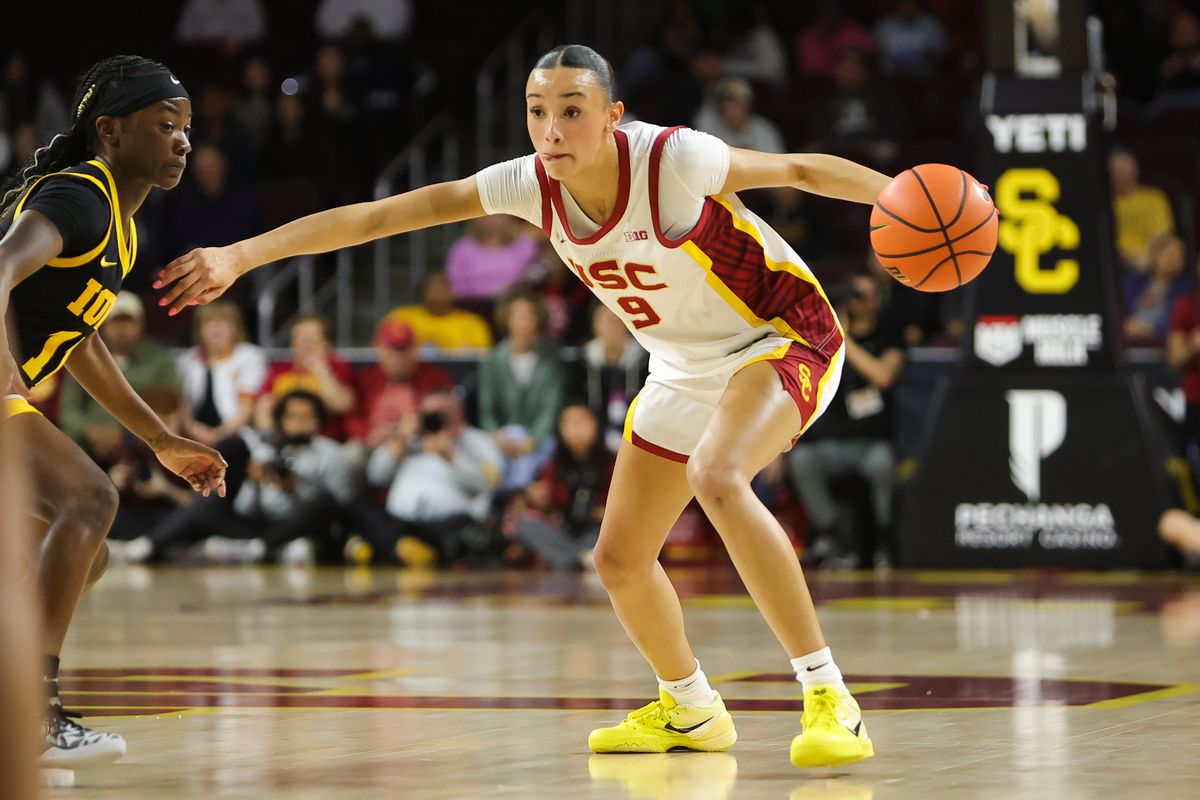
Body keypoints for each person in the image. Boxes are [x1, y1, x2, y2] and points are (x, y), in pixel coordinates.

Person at [155, 43, 891, 769]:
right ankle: (690, 707)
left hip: (783, 335)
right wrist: (242, 256)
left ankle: (830, 698)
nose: (552, 130)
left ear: (613, 117)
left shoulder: (671, 159)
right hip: (683, 363)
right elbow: (379, 218)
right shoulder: (527, 184)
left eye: (573, 111)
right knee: (620, 559)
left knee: (719, 476)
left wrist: (900, 193)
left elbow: (798, 168)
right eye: (538, 111)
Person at [0, 56, 226, 768]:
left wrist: (160, 438)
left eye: (188, 129)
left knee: (80, 553)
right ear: (111, 130)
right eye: (167, 126)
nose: (184, 142)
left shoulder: (120, 230)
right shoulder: (80, 198)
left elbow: (78, 340)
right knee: (91, 497)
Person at [132, 390, 354, 564]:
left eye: (307, 417)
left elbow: (340, 505)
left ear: (318, 420)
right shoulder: (267, 449)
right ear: (281, 420)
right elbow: (247, 506)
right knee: (210, 504)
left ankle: (262, 548)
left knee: (327, 500)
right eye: (293, 417)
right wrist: (254, 482)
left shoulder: (332, 454)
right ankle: (151, 544)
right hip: (259, 524)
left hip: (299, 523)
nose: (299, 423)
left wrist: (295, 489)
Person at [787, 276, 905, 568]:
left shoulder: (888, 334)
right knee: (803, 460)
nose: (861, 300)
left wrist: (845, 339)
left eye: (867, 294)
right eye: (856, 295)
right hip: (834, 444)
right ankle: (829, 534)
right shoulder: (826, 341)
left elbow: (882, 376)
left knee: (881, 465)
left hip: (872, 444)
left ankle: (884, 538)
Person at [357, 389, 502, 567]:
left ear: (459, 415)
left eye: (444, 414)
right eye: (431, 414)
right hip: (402, 522)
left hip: (447, 523)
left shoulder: (476, 442)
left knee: (466, 530)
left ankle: (396, 550)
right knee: (358, 507)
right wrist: (400, 440)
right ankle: (401, 547)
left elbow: (487, 485)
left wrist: (451, 456)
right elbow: (375, 476)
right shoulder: (409, 440)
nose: (438, 419)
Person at [58, 291, 180, 464]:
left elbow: (169, 406)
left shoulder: (160, 360)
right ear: (103, 325)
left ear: (141, 325)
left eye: (128, 322)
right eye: (116, 322)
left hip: (141, 448)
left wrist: (123, 435)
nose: (122, 329)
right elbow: (68, 411)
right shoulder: (83, 357)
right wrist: (91, 431)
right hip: (86, 446)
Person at [478, 287, 564, 493]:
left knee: (535, 458)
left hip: (539, 439)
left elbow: (550, 408)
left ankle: (517, 499)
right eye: (517, 315)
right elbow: (486, 409)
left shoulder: (551, 359)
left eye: (528, 315)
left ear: (538, 320)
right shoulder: (493, 361)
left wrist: (533, 439)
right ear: (507, 319)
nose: (523, 322)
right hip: (502, 438)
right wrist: (497, 436)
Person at [511, 404, 614, 571]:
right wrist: (539, 500)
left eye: (581, 422)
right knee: (524, 525)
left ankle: (569, 558)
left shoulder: (611, 461)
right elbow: (546, 506)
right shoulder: (555, 463)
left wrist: (603, 512)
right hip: (567, 531)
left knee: (620, 535)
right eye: (569, 423)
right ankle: (580, 558)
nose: (576, 430)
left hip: (598, 532)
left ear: (595, 425)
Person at [347, 316, 455, 445]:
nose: (399, 357)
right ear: (380, 350)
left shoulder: (435, 377)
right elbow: (351, 418)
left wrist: (415, 427)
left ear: (415, 350)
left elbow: (448, 418)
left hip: (418, 444)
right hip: (372, 445)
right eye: (393, 350)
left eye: (404, 350)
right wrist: (369, 434)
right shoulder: (367, 378)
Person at [177, 300, 267, 446]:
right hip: (193, 434)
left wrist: (219, 434)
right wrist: (192, 428)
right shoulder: (186, 360)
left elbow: (246, 406)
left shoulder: (249, 356)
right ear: (199, 329)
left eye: (224, 322)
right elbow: (183, 405)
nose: (217, 328)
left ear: (236, 329)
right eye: (209, 322)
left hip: (234, 434)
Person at [257, 314, 356, 441]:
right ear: (293, 343)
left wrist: (319, 370)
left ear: (326, 344)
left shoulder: (338, 367)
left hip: (325, 441)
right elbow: (263, 405)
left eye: (313, 340)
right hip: (284, 440)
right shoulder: (280, 370)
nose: (307, 346)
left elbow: (342, 405)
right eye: (303, 340)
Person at [383, 272, 493, 353]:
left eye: (445, 286)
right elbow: (376, 349)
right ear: (423, 292)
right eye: (435, 287)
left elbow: (482, 358)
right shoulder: (402, 316)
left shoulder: (472, 322)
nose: (441, 291)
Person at [1110, 148, 1175, 272]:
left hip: (1150, 262)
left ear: (1134, 171)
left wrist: (1145, 259)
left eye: (1123, 170)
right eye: (1114, 171)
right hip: (1115, 263)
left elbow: (1162, 235)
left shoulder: (1153, 198)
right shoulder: (1105, 205)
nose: (1119, 175)